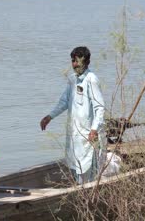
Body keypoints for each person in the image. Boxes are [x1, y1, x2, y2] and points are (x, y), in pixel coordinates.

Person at [40, 46, 106, 184]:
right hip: (75, 133)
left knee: (89, 168)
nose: (75, 64)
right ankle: (81, 194)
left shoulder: (91, 79)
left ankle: (88, 196)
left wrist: (94, 129)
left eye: (78, 61)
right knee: (76, 165)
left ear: (87, 62)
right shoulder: (72, 79)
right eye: (73, 61)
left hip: (89, 134)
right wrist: (49, 117)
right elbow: (64, 102)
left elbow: (99, 108)